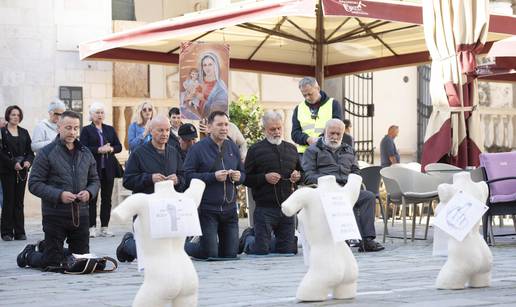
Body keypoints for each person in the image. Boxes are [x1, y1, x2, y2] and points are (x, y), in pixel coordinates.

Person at [18, 111, 99, 269]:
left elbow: (95, 180)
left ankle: (47, 247)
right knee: (53, 264)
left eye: (76, 128)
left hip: (80, 215)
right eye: (68, 127)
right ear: (58, 127)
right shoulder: (46, 153)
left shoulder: (86, 153)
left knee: (81, 261)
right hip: (54, 216)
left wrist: (89, 193)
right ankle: (29, 255)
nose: (72, 132)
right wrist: (59, 195)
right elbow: (34, 183)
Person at [302, 119, 384, 252]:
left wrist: (353, 182)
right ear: (325, 132)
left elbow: (356, 171)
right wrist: (328, 181)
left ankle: (367, 240)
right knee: (339, 200)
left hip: (347, 188)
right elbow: (307, 176)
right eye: (331, 133)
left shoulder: (348, 150)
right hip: (326, 190)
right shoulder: (313, 150)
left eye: (338, 134)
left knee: (368, 196)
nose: (334, 137)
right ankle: (343, 239)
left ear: (342, 134)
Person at [117, 115, 186, 262]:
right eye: (160, 130)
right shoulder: (139, 153)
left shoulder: (174, 152)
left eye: (167, 130)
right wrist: (149, 178)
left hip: (168, 210)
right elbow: (127, 180)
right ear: (151, 131)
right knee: (150, 255)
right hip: (146, 209)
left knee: (165, 255)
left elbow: (184, 176)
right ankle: (127, 244)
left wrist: (178, 179)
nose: (165, 134)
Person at [183, 111, 245, 259]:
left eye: (226, 125)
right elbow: (187, 176)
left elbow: (243, 174)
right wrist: (213, 177)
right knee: (209, 255)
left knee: (231, 255)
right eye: (219, 125)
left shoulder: (232, 147)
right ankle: (184, 247)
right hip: (207, 210)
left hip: (230, 210)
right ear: (209, 127)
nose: (224, 128)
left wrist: (239, 176)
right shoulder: (197, 149)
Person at [240, 110, 301, 255]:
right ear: (265, 130)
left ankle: (269, 242)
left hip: (287, 208)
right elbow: (246, 178)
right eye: (272, 129)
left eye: (279, 128)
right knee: (261, 251)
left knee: (288, 251)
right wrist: (264, 178)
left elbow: (302, 173)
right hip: (264, 209)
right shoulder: (255, 150)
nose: (277, 132)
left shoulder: (292, 149)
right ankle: (248, 240)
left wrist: (297, 176)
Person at [80, 102, 123, 238]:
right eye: (97, 112)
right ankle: (91, 227)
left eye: (101, 112)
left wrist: (110, 149)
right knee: (92, 198)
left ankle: (105, 227)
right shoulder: (86, 130)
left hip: (108, 168)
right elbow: (83, 147)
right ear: (91, 115)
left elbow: (119, 146)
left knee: (107, 199)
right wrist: (99, 150)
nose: (99, 115)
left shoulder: (109, 129)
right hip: (93, 169)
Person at [0, 106, 34, 241]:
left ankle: (20, 231)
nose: (15, 117)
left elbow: (30, 152)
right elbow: (0, 153)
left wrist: (28, 162)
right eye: (13, 114)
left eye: (18, 115)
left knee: (19, 201)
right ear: (8, 115)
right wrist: (12, 163)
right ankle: (6, 232)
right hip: (7, 170)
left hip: (22, 171)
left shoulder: (24, 132)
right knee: (9, 200)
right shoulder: (2, 132)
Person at [291, 76, 342, 156]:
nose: (307, 97)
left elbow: (338, 129)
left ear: (318, 88)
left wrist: (319, 140)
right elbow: (295, 134)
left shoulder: (333, 104)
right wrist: (307, 139)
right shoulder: (298, 108)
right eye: (304, 95)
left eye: (310, 94)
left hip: (327, 152)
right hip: (305, 154)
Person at [196, 52, 228, 119]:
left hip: (210, 121)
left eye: (210, 64)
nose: (207, 68)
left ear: (215, 66)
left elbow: (218, 109)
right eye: (204, 65)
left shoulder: (220, 87)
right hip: (195, 120)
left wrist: (203, 99)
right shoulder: (198, 82)